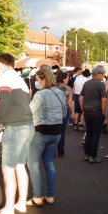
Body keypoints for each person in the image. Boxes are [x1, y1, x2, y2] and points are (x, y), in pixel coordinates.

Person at [0, 54, 34, 214]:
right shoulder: (20, 79)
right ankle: (21, 203)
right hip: (28, 125)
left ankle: (8, 208)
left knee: (8, 168)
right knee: (20, 166)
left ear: (1, 64)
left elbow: (4, 102)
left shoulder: (5, 78)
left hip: (14, 127)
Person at [25, 67, 67, 206]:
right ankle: (50, 196)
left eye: (37, 80)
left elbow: (29, 111)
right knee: (49, 163)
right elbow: (64, 113)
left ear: (43, 79)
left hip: (41, 132)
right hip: (56, 132)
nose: (36, 82)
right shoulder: (60, 93)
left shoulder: (40, 94)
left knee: (33, 163)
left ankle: (37, 196)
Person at [80, 67, 107, 163]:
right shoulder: (101, 84)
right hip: (97, 111)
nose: (103, 76)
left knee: (89, 133)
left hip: (87, 111)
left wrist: (83, 109)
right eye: (102, 74)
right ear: (98, 74)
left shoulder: (86, 83)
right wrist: (103, 112)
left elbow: (81, 98)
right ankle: (93, 156)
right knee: (95, 134)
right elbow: (104, 100)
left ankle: (86, 154)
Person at [55, 71, 73, 157]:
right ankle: (60, 150)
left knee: (54, 131)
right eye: (67, 78)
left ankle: (52, 150)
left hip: (54, 111)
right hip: (64, 111)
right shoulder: (68, 88)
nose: (68, 79)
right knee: (62, 132)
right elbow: (70, 102)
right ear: (63, 79)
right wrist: (73, 112)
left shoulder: (53, 87)